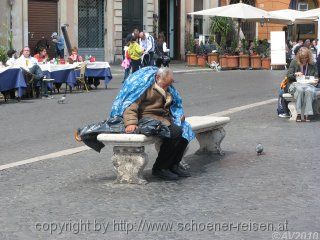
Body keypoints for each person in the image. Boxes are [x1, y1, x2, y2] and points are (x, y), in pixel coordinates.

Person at [123, 67, 191, 180]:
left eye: (169, 84)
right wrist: (131, 123)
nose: (167, 86)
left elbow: (173, 106)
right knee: (174, 133)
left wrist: (178, 116)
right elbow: (131, 105)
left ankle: (173, 165)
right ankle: (160, 168)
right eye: (165, 84)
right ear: (157, 78)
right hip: (147, 119)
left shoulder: (168, 89)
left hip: (163, 119)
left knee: (184, 136)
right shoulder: (145, 89)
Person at [287, 47, 319, 122]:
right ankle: (298, 114)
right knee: (300, 90)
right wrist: (295, 74)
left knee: (309, 91)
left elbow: (316, 76)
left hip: (309, 85)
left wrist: (316, 80)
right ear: (299, 57)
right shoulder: (294, 62)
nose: (304, 60)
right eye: (302, 58)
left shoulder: (312, 64)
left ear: (309, 57)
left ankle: (307, 114)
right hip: (296, 84)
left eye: (306, 58)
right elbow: (288, 75)